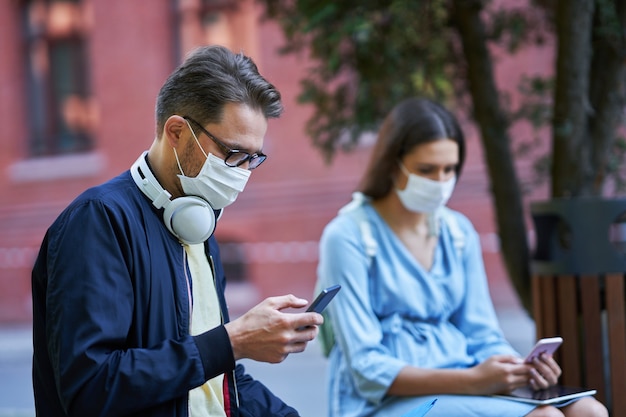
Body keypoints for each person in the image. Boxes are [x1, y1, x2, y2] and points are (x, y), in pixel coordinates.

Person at [31, 45, 323, 417]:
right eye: (233, 154)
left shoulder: (200, 226)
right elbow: (91, 388)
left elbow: (218, 384)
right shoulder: (98, 221)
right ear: (177, 132)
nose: (243, 172)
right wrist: (232, 343)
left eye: (253, 159)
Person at [316, 97, 609, 417]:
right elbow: (366, 367)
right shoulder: (348, 236)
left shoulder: (458, 232)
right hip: (380, 403)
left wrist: (517, 370)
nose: (440, 182)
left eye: (449, 169)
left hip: (467, 384)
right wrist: (472, 381)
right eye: (426, 170)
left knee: (589, 412)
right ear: (391, 164)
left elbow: (482, 333)